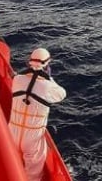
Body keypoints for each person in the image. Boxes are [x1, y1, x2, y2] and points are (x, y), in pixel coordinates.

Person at [9, 48, 66, 181]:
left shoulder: (17, 79)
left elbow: (25, 81)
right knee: (33, 175)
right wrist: (49, 78)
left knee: (13, 163)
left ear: (29, 62)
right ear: (47, 65)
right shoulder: (48, 86)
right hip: (32, 137)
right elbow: (62, 94)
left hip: (12, 131)